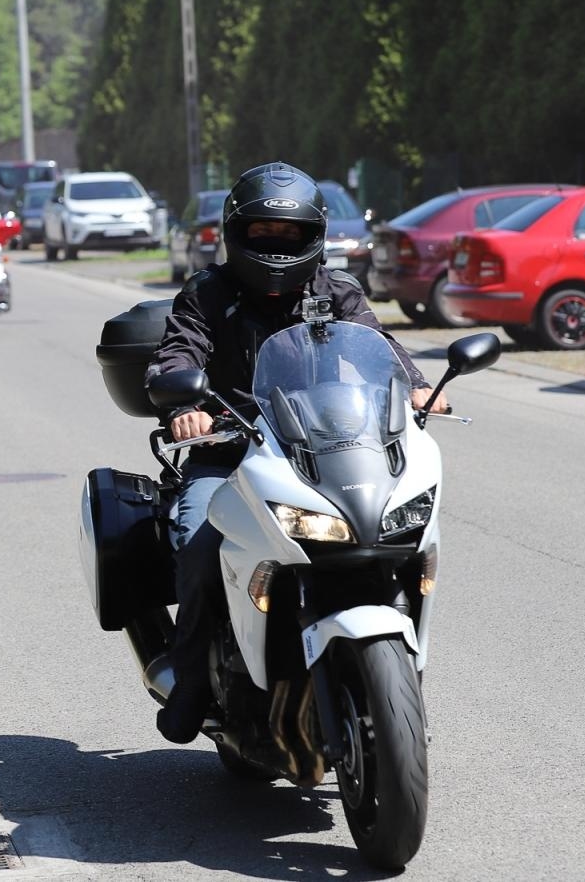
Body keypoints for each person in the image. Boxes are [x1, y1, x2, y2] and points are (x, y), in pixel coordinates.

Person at [144, 161, 447, 743]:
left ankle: (397, 680)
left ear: (316, 236)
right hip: (231, 451)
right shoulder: (208, 294)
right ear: (238, 233)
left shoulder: (337, 292)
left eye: (292, 234)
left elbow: (381, 347)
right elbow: (178, 355)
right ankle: (191, 682)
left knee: (395, 533)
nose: (277, 245)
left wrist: (415, 384)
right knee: (201, 543)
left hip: (327, 447)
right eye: (264, 232)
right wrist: (184, 403)